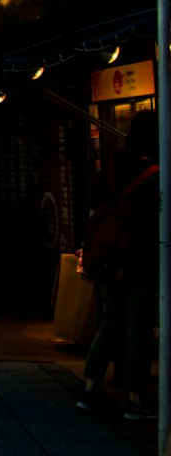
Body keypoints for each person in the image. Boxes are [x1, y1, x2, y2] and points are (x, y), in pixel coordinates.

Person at [76, 109, 158, 420]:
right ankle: (136, 397)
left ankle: (90, 386)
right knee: (137, 327)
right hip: (139, 260)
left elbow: (96, 203)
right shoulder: (153, 173)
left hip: (108, 259)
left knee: (110, 322)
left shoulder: (111, 168)